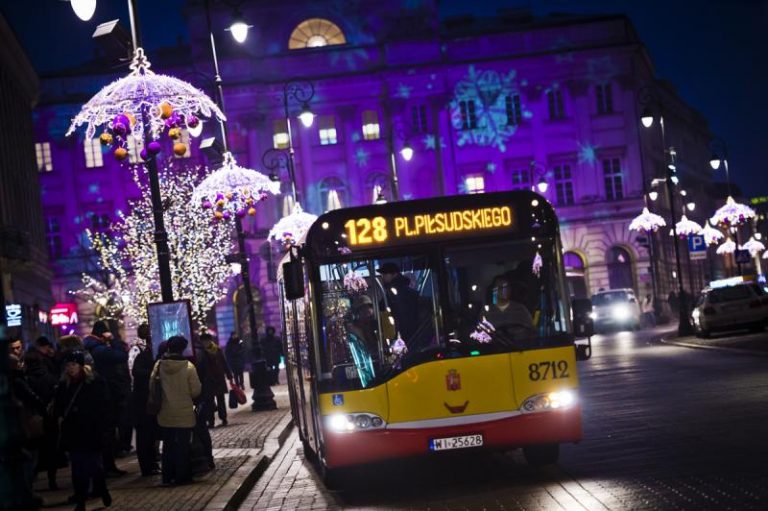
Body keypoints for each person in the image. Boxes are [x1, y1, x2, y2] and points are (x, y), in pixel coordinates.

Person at [52, 350, 111, 511]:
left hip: (91, 430)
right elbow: (59, 406)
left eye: (73, 365)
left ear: (81, 365)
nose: (70, 368)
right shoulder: (64, 384)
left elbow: (103, 405)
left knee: (94, 465)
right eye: (68, 365)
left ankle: (102, 487)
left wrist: (103, 426)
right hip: (74, 432)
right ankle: (81, 501)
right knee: (78, 468)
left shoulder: (94, 382)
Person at [150, 335, 201, 486]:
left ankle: (168, 476)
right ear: (183, 349)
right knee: (183, 445)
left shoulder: (159, 366)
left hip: (165, 413)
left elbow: (152, 387)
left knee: (168, 445)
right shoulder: (189, 367)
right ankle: (183, 476)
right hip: (184, 413)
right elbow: (196, 390)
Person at [83, 320, 128, 477]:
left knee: (107, 431)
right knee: (107, 431)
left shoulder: (91, 347)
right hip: (106, 394)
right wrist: (113, 339)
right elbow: (122, 356)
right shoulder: (100, 349)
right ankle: (107, 466)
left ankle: (108, 465)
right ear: (103, 334)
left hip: (102, 393)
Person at [24, 336, 62, 490]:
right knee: (51, 449)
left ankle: (31, 481)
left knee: (34, 451)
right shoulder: (50, 378)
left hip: (33, 419)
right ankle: (52, 480)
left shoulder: (25, 379)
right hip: (49, 417)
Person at [130, 323, 160, 477]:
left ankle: (152, 463)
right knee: (145, 435)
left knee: (151, 434)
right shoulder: (141, 355)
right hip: (143, 401)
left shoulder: (152, 355)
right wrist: (154, 373)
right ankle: (147, 467)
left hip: (149, 400)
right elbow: (136, 372)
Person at [376, 263, 420, 348]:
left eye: (385, 274)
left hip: (404, 331)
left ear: (394, 274)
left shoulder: (394, 291)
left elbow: (383, 307)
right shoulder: (403, 289)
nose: (383, 276)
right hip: (413, 331)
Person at [483, 275, 535, 342]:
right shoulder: (485, 311)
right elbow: (480, 336)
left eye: (505, 287)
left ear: (510, 290)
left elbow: (532, 333)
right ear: (493, 290)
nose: (502, 290)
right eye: (499, 287)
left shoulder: (521, 310)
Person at [199, 332, 232, 428]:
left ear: (210, 340)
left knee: (220, 399)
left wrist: (229, 375)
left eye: (207, 340)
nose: (206, 343)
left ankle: (223, 418)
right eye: (204, 341)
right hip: (208, 379)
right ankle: (211, 421)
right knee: (209, 401)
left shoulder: (217, 349)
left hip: (219, 378)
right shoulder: (201, 352)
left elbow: (224, 362)